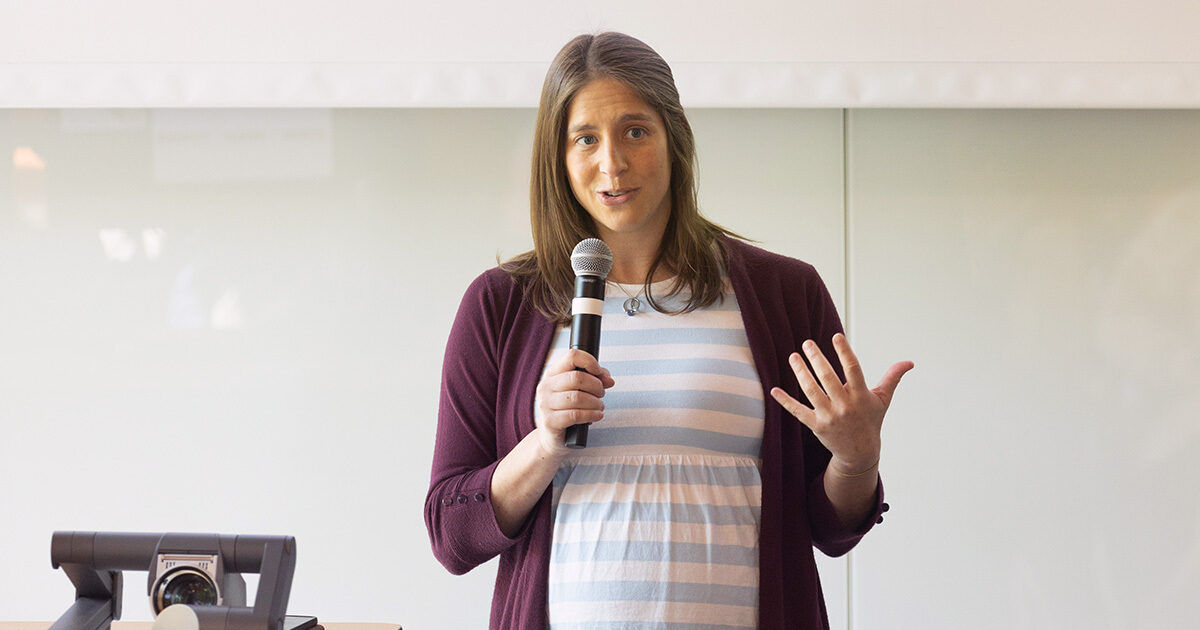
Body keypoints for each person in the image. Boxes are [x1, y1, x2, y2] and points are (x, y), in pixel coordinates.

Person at [425, 31, 914, 630]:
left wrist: (858, 461)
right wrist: (543, 442)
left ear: (674, 139)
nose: (613, 162)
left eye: (635, 131)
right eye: (585, 138)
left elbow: (831, 525)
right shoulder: (500, 304)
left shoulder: (784, 295)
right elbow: (452, 533)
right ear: (558, 156)